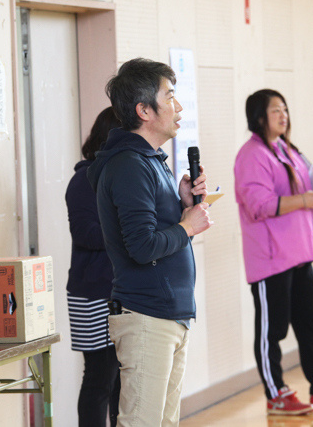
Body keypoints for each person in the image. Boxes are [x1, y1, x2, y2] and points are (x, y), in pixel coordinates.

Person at [87, 58, 212, 427]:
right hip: (147, 315)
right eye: (169, 97)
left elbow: (155, 228)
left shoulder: (149, 159)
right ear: (144, 110)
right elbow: (141, 247)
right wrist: (187, 226)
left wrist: (182, 205)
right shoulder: (129, 165)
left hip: (169, 312)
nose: (179, 106)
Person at [234, 89, 313, 416]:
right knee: (272, 331)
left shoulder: (289, 150)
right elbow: (258, 205)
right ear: (259, 117)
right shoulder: (252, 155)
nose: (284, 116)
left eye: (285, 109)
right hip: (271, 259)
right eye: (275, 110)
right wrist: (305, 199)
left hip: (301, 254)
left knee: (310, 323)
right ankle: (276, 393)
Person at [65, 107, 122, 427]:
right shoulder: (84, 180)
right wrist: (129, 231)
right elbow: (84, 234)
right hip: (93, 293)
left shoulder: (121, 177)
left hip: (120, 292)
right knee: (100, 377)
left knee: (122, 379)